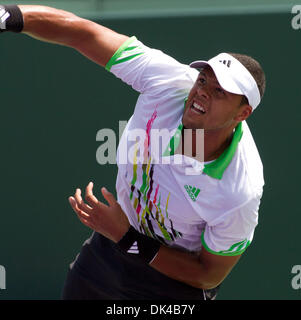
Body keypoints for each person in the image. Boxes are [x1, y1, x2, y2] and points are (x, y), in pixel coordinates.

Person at [1, 4, 265, 300]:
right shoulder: (170, 82)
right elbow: (82, 33)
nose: (202, 90)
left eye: (219, 92)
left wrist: (127, 238)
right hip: (108, 253)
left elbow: (208, 274)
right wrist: (8, 16)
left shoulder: (239, 190)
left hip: (172, 284)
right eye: (203, 79)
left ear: (242, 113)